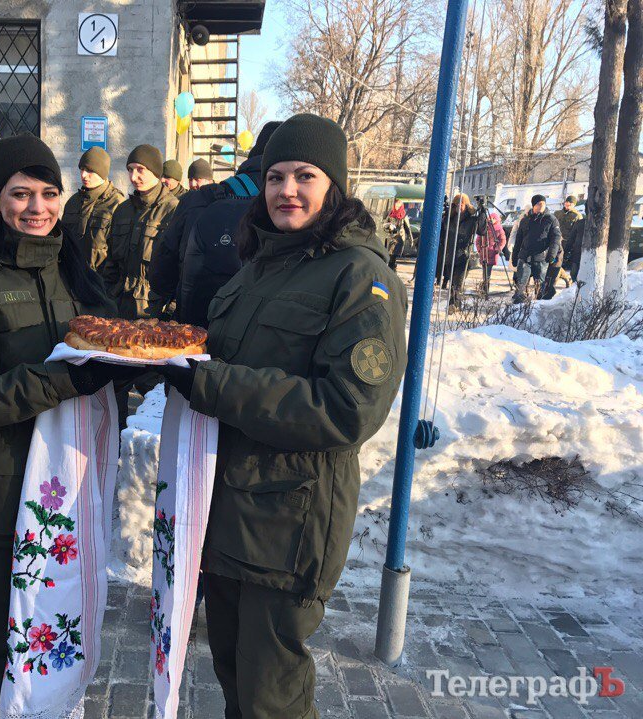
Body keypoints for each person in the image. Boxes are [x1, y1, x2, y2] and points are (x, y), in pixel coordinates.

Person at [157, 113, 406, 719]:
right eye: (274, 177)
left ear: (335, 187)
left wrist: (211, 383)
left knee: (271, 697)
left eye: (304, 176)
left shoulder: (360, 277)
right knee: (233, 676)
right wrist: (161, 353)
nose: (286, 190)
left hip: (289, 522)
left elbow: (347, 409)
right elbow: (227, 354)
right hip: (226, 506)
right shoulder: (261, 264)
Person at [0, 133, 133, 719]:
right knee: (1, 629)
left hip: (70, 488)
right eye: (20, 193)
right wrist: (64, 380)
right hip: (1, 492)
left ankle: (51, 707)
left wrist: (135, 368)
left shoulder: (79, 276)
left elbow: (109, 351)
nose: (37, 207)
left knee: (62, 615)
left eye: (48, 193)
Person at [149, 122, 281, 326]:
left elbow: (161, 273)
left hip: (192, 332)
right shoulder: (292, 207)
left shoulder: (197, 199)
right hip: (256, 334)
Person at [103, 144, 179, 319]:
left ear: (155, 171)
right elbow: (111, 265)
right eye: (130, 170)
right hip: (118, 309)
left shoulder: (174, 210)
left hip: (154, 313)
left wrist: (170, 312)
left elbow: (182, 269)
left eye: (140, 170)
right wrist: (107, 299)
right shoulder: (122, 210)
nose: (133, 177)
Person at [61, 146, 124, 272]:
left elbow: (119, 252)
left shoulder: (116, 203)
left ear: (102, 172)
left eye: (90, 170)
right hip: (72, 274)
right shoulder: (73, 202)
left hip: (101, 278)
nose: (84, 175)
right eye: (82, 169)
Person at [511, 194, 562, 303]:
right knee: (520, 285)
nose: (541, 206)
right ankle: (518, 308)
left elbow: (556, 238)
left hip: (541, 259)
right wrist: (514, 257)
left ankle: (538, 306)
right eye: (539, 204)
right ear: (534, 205)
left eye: (543, 204)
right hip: (525, 258)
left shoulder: (551, 220)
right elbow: (518, 240)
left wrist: (552, 254)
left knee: (540, 288)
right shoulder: (525, 220)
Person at [435, 193, 479, 312]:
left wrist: (482, 215)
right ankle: (455, 304)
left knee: (458, 283)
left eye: (461, 204)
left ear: (466, 205)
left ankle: (453, 304)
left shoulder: (472, 220)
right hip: (450, 256)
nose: (459, 207)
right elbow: (441, 234)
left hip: (463, 256)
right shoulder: (449, 219)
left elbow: (482, 230)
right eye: (456, 204)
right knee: (453, 283)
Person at [550, 195, 583, 297]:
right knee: (555, 263)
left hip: (567, 243)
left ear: (574, 205)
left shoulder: (577, 215)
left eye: (570, 203)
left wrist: (572, 246)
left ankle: (557, 282)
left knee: (559, 263)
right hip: (556, 242)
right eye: (566, 202)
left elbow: (577, 232)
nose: (567, 204)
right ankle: (564, 278)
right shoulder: (557, 213)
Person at [475, 210, 507, 296]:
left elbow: (503, 240)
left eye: (493, 218)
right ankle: (484, 288)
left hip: (492, 253)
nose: (491, 219)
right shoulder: (484, 228)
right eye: (490, 218)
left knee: (487, 273)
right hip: (483, 253)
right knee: (484, 272)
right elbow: (478, 240)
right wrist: (479, 249)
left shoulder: (499, 229)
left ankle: (485, 289)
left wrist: (497, 249)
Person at [384, 198, 411, 271]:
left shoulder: (404, 216)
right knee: (388, 255)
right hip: (390, 238)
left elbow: (408, 228)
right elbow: (384, 225)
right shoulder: (390, 214)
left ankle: (392, 269)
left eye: (398, 206)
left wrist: (411, 240)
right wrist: (388, 226)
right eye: (396, 205)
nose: (397, 207)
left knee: (393, 256)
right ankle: (390, 269)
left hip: (399, 238)